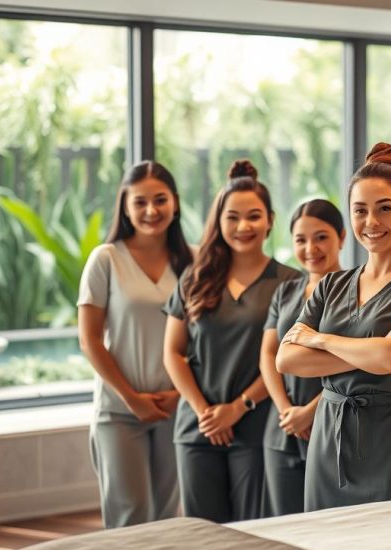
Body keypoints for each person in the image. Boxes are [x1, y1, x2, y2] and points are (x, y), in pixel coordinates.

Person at [277, 142, 391, 511]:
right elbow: (288, 359)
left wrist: (321, 339)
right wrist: (374, 350)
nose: (371, 222)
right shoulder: (331, 284)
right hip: (330, 438)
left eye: (385, 209)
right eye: (360, 211)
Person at [162, 160, 299, 522]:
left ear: (270, 220)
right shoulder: (194, 278)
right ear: (218, 221)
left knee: (252, 531)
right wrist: (204, 413)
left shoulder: (291, 284)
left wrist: (239, 407)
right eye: (233, 217)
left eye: (254, 216)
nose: (243, 226)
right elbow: (173, 353)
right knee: (201, 534)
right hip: (197, 429)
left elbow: (285, 358)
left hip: (255, 428)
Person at [77, 160, 194, 528]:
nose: (151, 211)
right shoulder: (106, 259)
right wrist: (131, 398)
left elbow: (203, 338)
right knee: (129, 516)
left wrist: (179, 395)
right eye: (140, 202)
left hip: (175, 407)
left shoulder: (194, 261)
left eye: (160, 200)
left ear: (174, 202)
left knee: (164, 518)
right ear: (125, 205)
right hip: (119, 411)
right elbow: (89, 339)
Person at [259, 199, 346, 515]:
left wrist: (310, 412)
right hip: (282, 428)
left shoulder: (356, 290)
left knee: (329, 523)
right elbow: (268, 354)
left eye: (321, 237)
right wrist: (287, 411)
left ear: (342, 237)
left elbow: (358, 364)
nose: (311, 248)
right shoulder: (286, 291)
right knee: (285, 527)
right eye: (301, 239)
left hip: (332, 425)